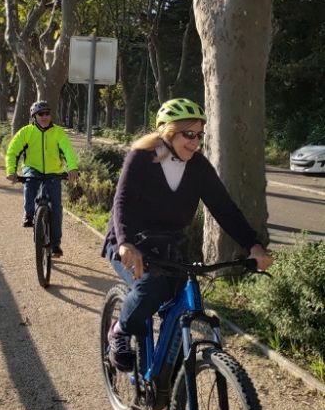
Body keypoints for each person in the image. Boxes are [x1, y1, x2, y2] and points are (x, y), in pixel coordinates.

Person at [103, 97, 273, 372]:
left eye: (199, 136)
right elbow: (120, 203)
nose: (195, 142)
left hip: (169, 248)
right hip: (129, 242)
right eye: (189, 134)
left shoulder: (198, 167)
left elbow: (225, 209)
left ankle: (172, 387)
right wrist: (124, 244)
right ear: (168, 132)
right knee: (152, 287)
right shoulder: (141, 158)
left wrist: (253, 245)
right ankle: (119, 331)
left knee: (183, 298)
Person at [6, 100, 79, 257]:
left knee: (57, 208)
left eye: (47, 113)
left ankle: (55, 244)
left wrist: (72, 168)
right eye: (41, 114)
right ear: (34, 116)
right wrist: (11, 171)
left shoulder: (58, 132)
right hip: (33, 169)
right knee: (29, 183)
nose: (45, 117)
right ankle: (29, 214)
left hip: (54, 172)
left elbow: (68, 151)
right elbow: (13, 152)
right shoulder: (25, 132)